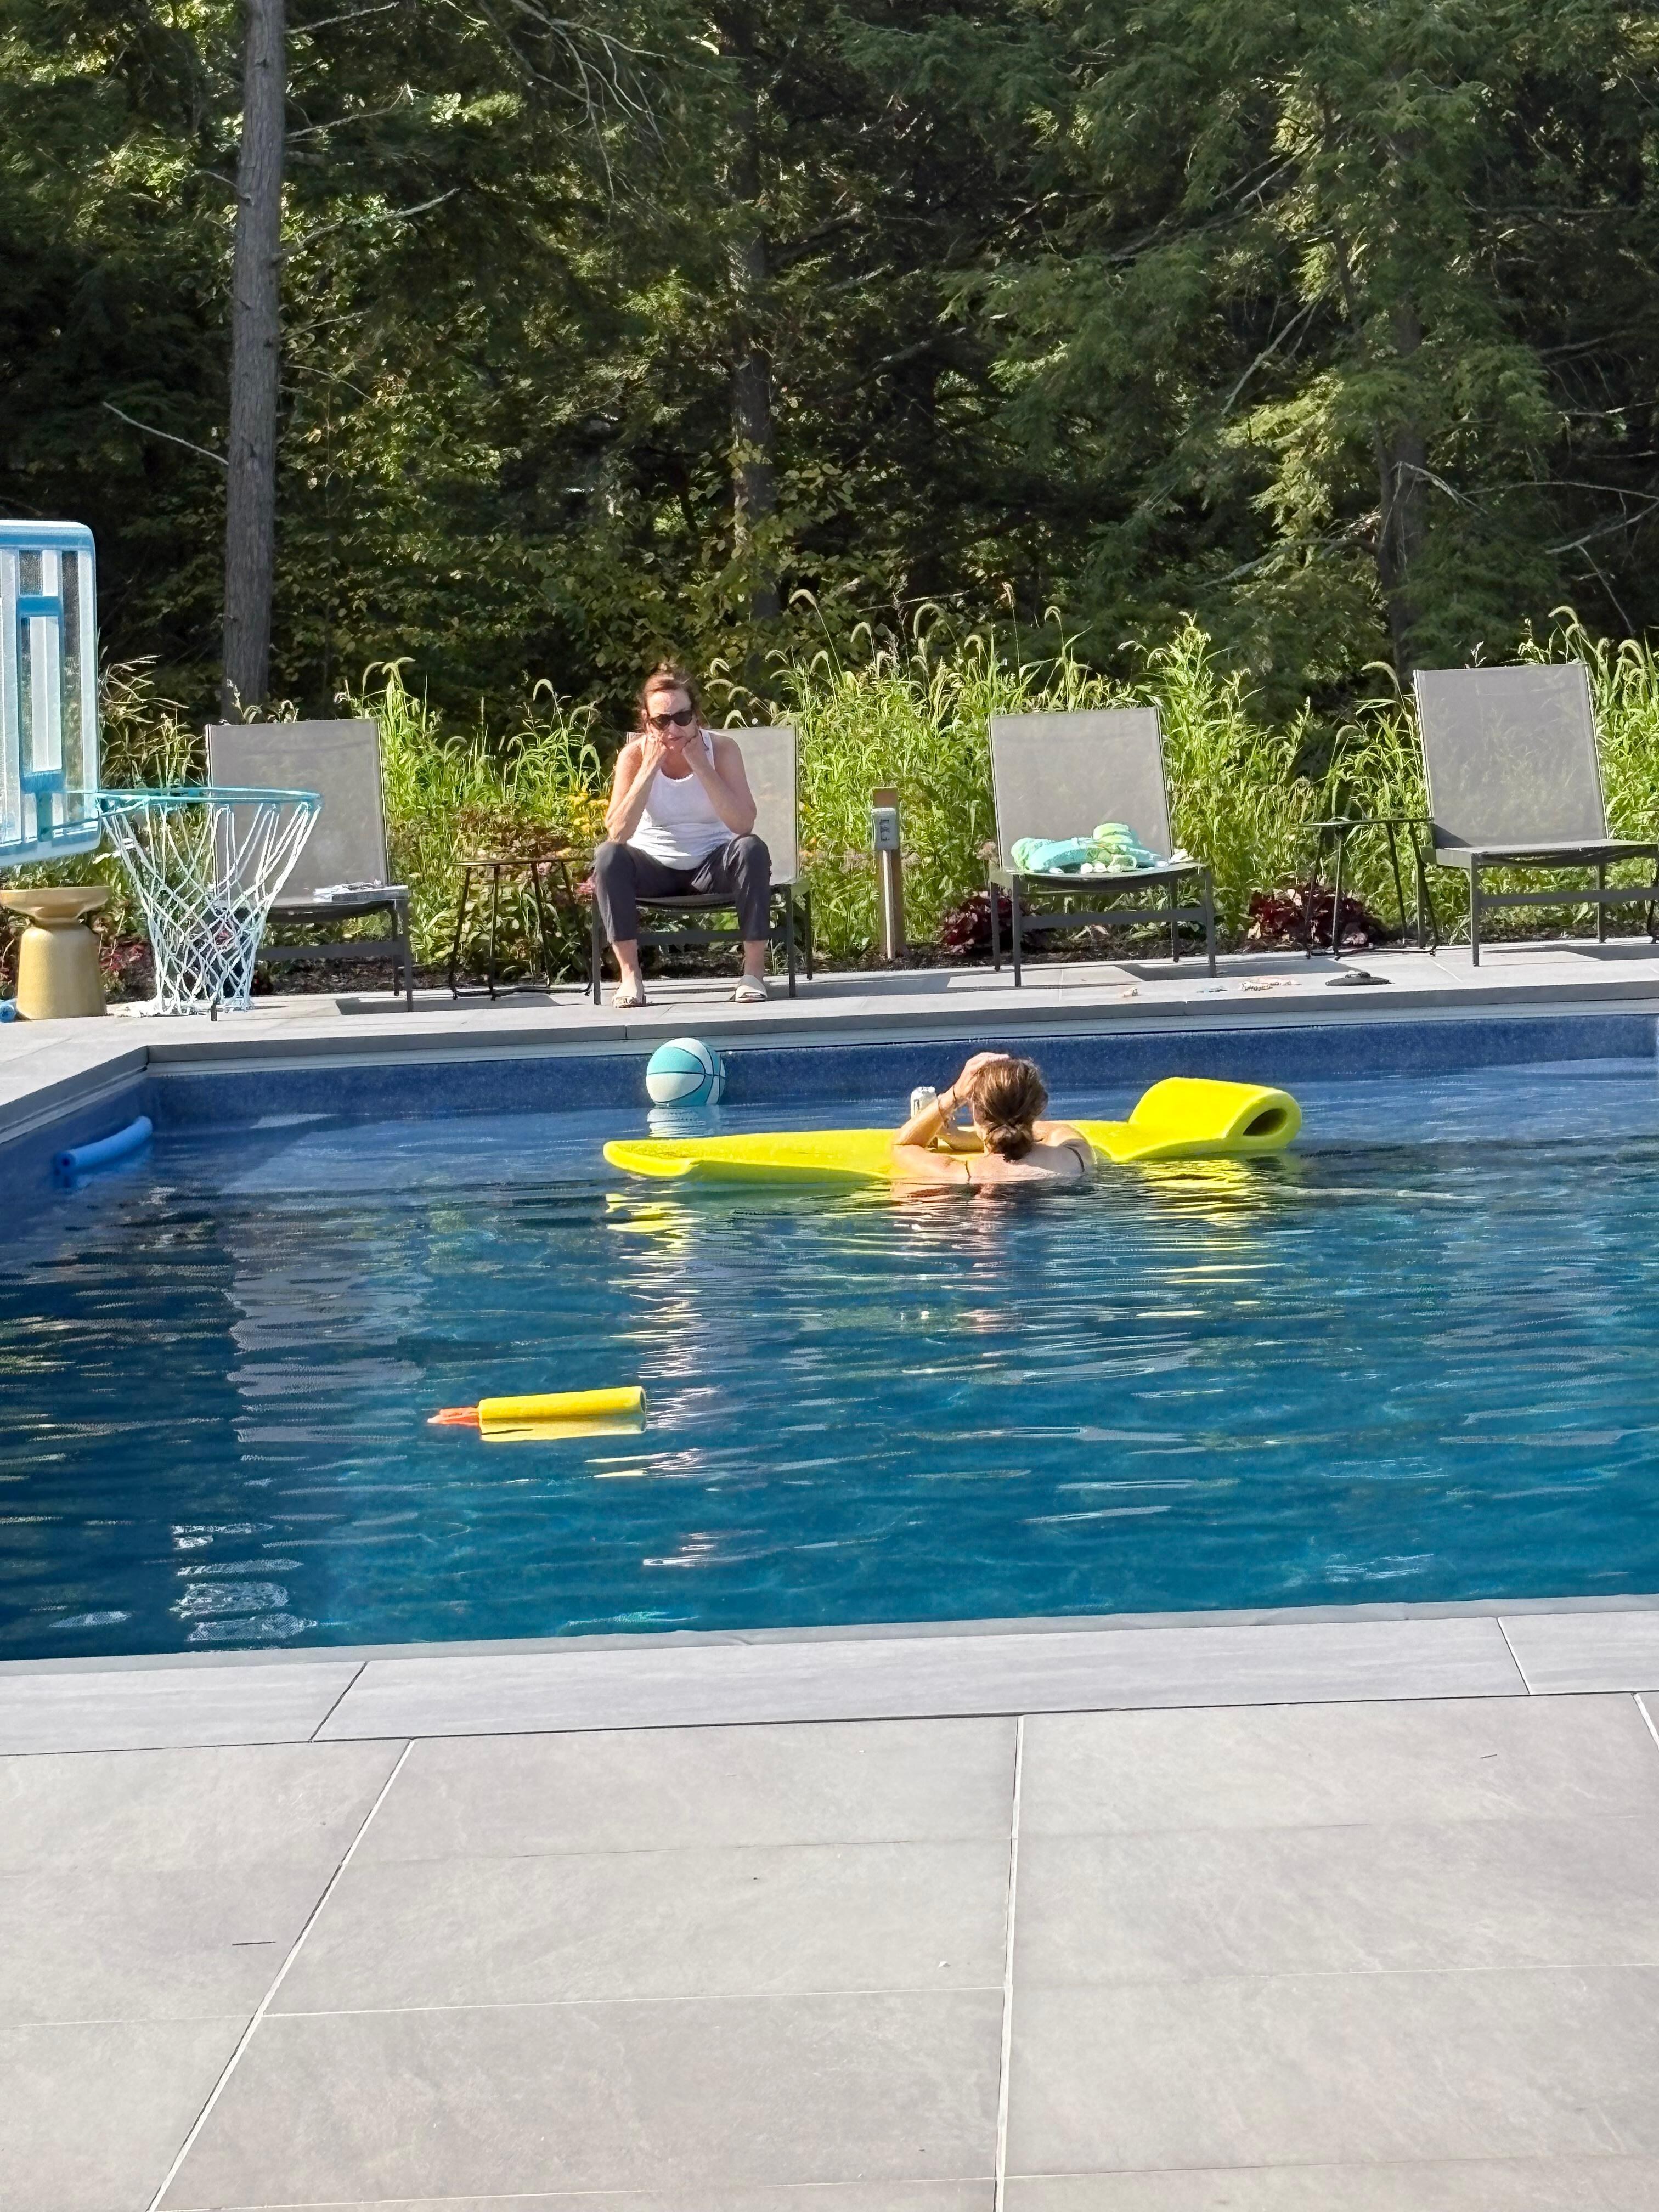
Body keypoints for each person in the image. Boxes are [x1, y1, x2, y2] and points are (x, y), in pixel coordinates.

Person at [591, 663, 772, 1008]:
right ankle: (630, 977)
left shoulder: (722, 750)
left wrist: (701, 765)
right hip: (653, 867)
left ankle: (753, 973)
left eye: (682, 717)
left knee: (752, 849)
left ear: (696, 716)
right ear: (647, 722)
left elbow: (743, 824)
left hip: (711, 865)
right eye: (662, 721)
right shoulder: (633, 756)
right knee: (608, 856)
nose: (673, 729)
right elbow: (618, 832)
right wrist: (649, 768)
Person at [891, 1052, 1095, 1188]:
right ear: (1037, 1108)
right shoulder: (1077, 1157)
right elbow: (1049, 1130)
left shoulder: (961, 1174)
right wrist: (962, 1138)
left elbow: (902, 1145)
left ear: (976, 1113)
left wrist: (953, 1096)